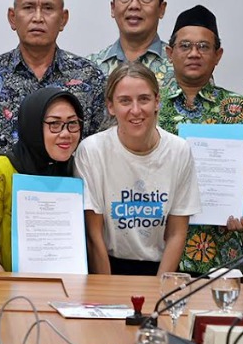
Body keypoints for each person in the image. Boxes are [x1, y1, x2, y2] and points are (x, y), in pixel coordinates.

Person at [0, 0, 105, 178]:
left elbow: (100, 152)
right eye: (29, 8)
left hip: (70, 201)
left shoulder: (89, 77)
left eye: (48, 8)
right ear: (12, 17)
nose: (38, 17)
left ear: (63, 18)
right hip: (0, 203)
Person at [157, 5, 243, 273]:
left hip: (220, 251)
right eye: (185, 46)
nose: (194, 53)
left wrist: (242, 206)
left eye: (204, 47)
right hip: (158, 250)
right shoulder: (150, 105)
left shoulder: (238, 107)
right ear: (170, 53)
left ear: (218, 55)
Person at [77, 63, 201, 276]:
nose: (135, 110)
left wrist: (159, 291)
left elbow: (177, 234)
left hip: (160, 269)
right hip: (107, 265)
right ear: (111, 106)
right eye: (125, 101)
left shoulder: (179, 151)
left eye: (144, 99)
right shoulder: (92, 150)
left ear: (157, 102)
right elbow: (94, 236)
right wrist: (108, 295)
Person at [0, 88, 82, 272]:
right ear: (32, 126)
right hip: (10, 290)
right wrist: (5, 282)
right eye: (54, 124)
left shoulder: (78, 170)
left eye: (72, 123)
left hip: (69, 286)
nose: (66, 133)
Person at [88, 0, 175, 91]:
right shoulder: (91, 68)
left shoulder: (180, 67)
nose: (134, 5)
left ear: (161, 9)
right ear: (113, 8)